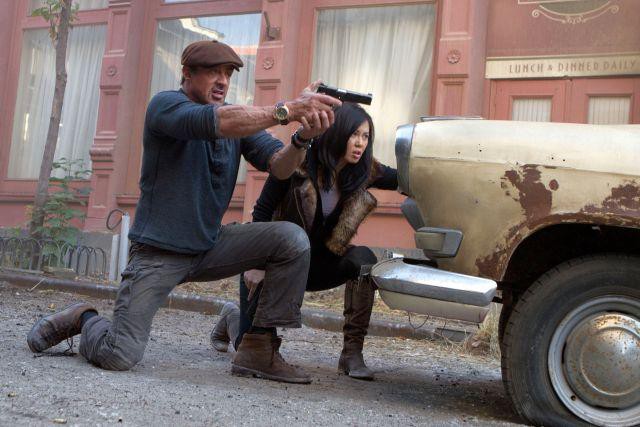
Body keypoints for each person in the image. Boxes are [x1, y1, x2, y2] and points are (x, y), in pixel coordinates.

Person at [26, 39, 342, 384]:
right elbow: (216, 122)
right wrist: (288, 109)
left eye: (228, 73)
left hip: (210, 246)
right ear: (187, 74)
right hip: (158, 254)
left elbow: (280, 167)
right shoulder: (166, 106)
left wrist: (302, 138)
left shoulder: (238, 122)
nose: (222, 81)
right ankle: (84, 318)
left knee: (290, 239)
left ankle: (258, 348)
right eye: (213, 72)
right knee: (119, 355)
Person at [211, 103, 398, 380]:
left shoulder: (364, 171)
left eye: (365, 136)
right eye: (354, 134)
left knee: (364, 260)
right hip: (275, 264)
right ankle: (232, 318)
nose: (360, 143)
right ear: (336, 132)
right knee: (249, 349)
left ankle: (352, 354)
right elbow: (262, 210)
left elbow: (405, 179)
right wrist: (256, 265)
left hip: (319, 265)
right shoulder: (297, 162)